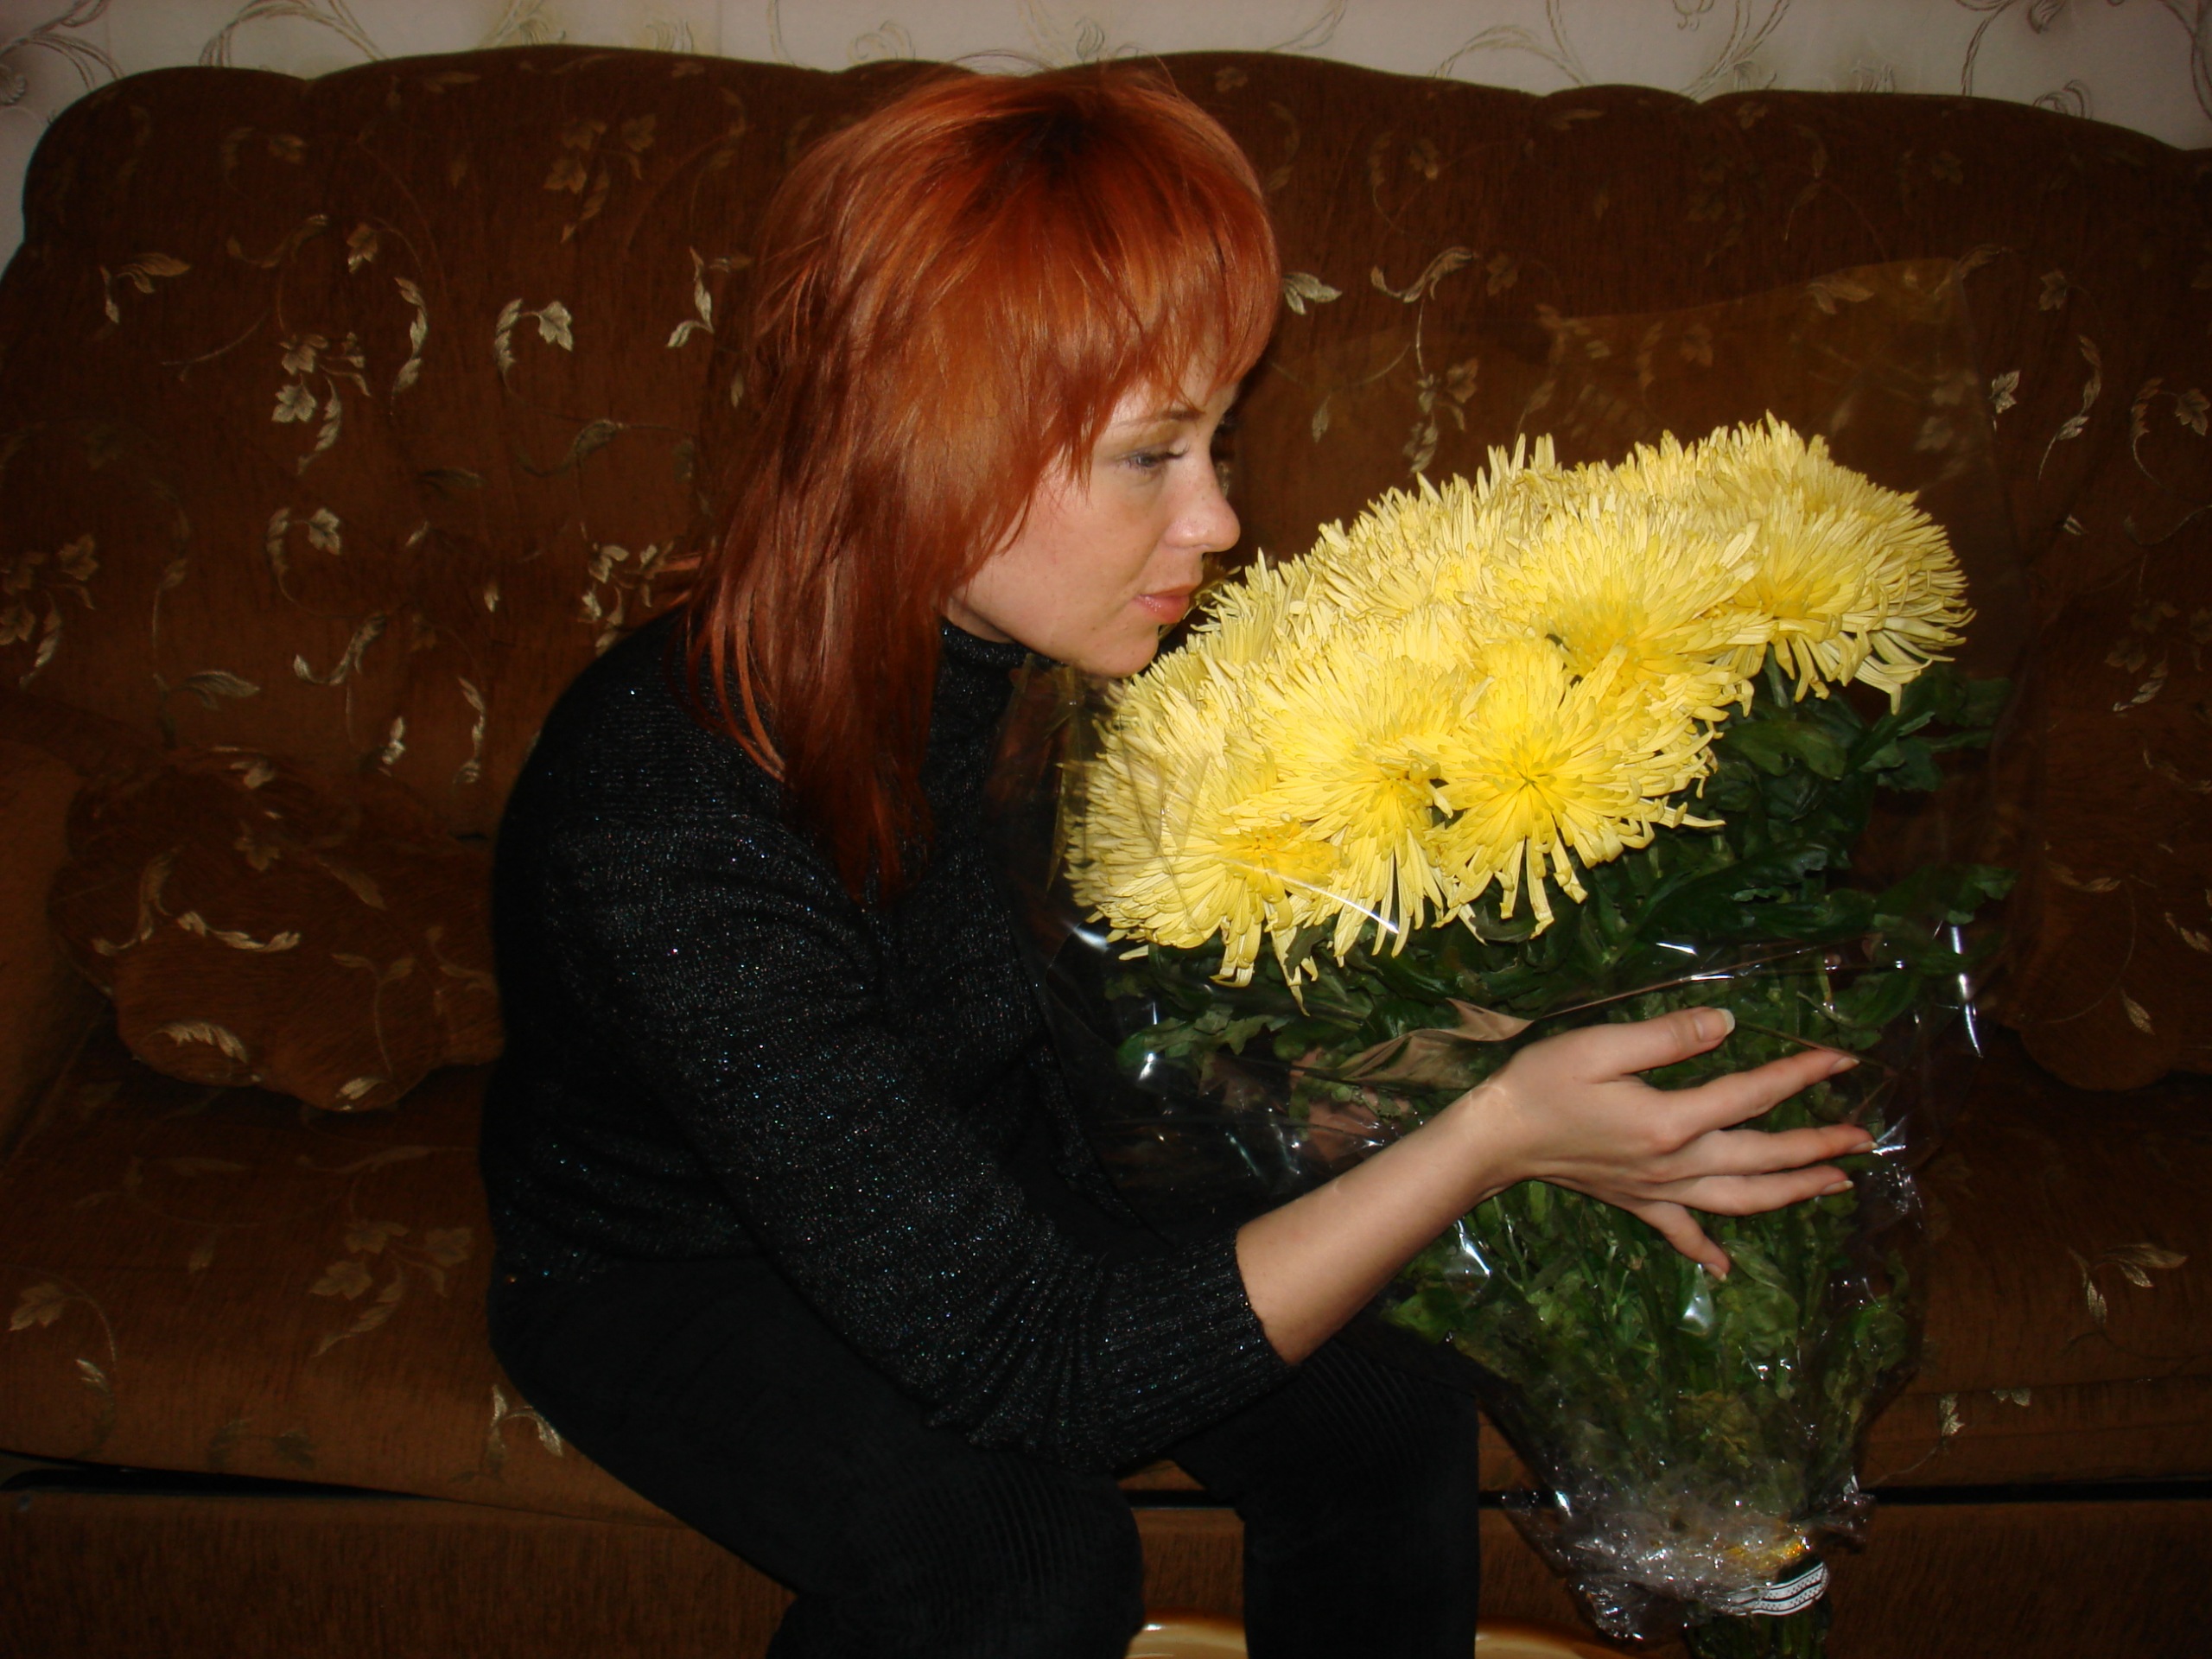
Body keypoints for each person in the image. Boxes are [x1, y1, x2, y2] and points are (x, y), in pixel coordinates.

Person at [478, 65, 1872, 1659]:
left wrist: (1411, 1067)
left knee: (1386, 1411)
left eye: (1215, 437)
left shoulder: (1029, 659)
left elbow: (1089, 1016)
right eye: (1152, 454)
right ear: (928, 440)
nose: (1217, 519)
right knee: (1024, 1566)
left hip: (981, 1156)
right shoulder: (668, 812)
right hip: (666, 1268)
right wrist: (1487, 1139)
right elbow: (1043, 1370)